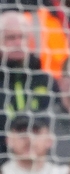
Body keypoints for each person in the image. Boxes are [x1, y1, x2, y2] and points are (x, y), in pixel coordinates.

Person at [0, 11, 59, 160]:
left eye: (22, 37)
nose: (18, 43)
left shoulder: (45, 80)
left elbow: (58, 122)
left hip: (43, 163)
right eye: (10, 38)